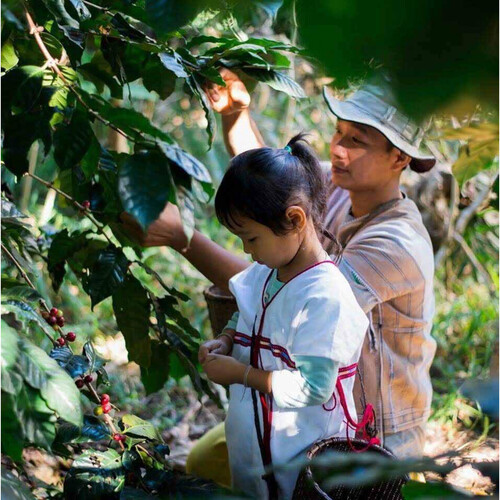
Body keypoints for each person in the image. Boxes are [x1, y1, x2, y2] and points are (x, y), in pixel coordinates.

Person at [120, 70, 437, 478]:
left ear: (399, 157)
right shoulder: (338, 187)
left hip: (365, 433)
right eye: (338, 133)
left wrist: (184, 240)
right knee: (205, 463)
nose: (338, 149)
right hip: (300, 416)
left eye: (356, 140)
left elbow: (288, 285)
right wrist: (235, 115)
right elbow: (271, 188)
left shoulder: (395, 243)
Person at [199, 133, 369, 499]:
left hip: (302, 466)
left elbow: (313, 387)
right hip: (257, 454)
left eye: (251, 238)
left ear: (294, 219)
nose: (246, 249)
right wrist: (226, 340)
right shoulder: (267, 270)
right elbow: (246, 313)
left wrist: (242, 374)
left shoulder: (324, 296)